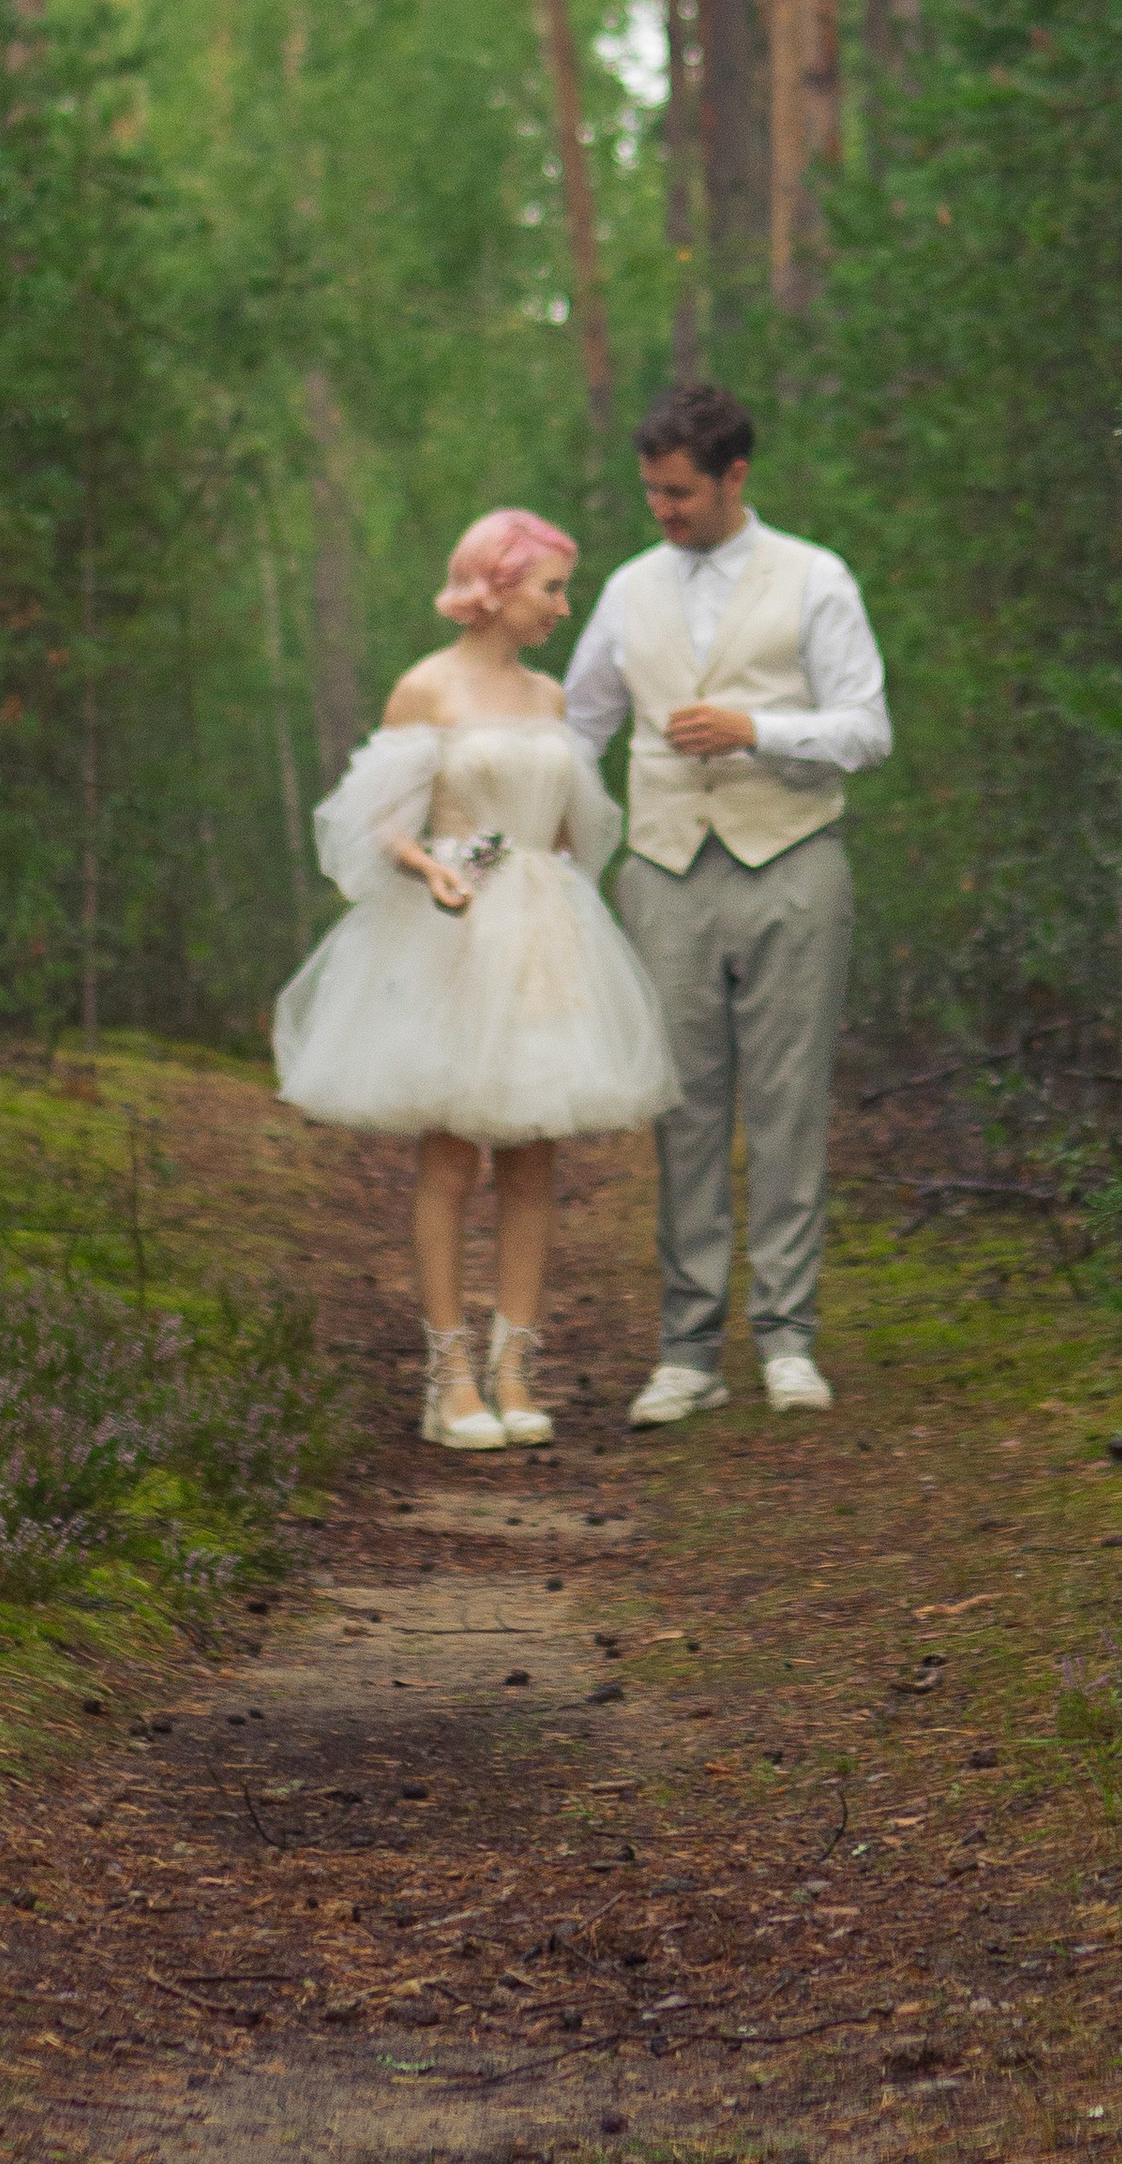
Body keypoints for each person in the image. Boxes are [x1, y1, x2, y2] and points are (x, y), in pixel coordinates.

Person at [272, 509, 678, 1455]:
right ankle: (447, 1371)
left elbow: (574, 824)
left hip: (542, 927)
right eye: (550, 588)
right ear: (496, 587)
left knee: (535, 1151)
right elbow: (374, 819)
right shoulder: (425, 687)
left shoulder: (547, 699)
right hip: (453, 933)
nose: (562, 608)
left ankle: (515, 1364)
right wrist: (430, 865)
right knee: (452, 1156)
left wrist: (551, 878)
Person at [564, 386, 891, 1425]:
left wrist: (758, 727)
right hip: (663, 868)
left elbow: (867, 729)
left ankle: (788, 1339)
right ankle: (687, 1351)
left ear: (734, 477)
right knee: (683, 1108)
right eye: (651, 490)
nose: (661, 509)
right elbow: (578, 728)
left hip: (792, 858)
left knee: (789, 1105)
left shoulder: (815, 577)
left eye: (679, 492)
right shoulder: (625, 590)